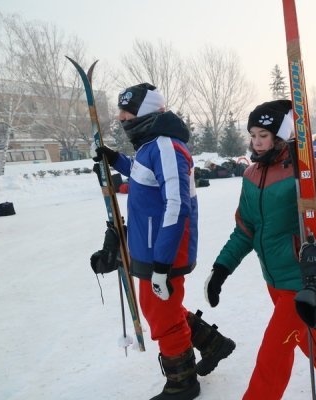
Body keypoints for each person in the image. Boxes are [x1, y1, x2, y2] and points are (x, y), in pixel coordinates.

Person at [92, 83, 235, 400]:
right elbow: (145, 175)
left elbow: (177, 205)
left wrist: (162, 264)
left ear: (144, 114)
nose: (121, 118)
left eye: (127, 113)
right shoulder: (150, 147)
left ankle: (182, 383)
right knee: (160, 308)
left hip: (164, 251)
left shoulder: (167, 146)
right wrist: (115, 159)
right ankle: (213, 344)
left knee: (163, 316)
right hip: (149, 244)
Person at [204, 100, 316, 400]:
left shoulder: (306, 168)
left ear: (280, 136)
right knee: (306, 332)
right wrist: (221, 269)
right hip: (273, 278)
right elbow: (245, 230)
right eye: (253, 134)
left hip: (303, 276)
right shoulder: (251, 176)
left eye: (264, 135)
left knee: (274, 351)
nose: (256, 142)